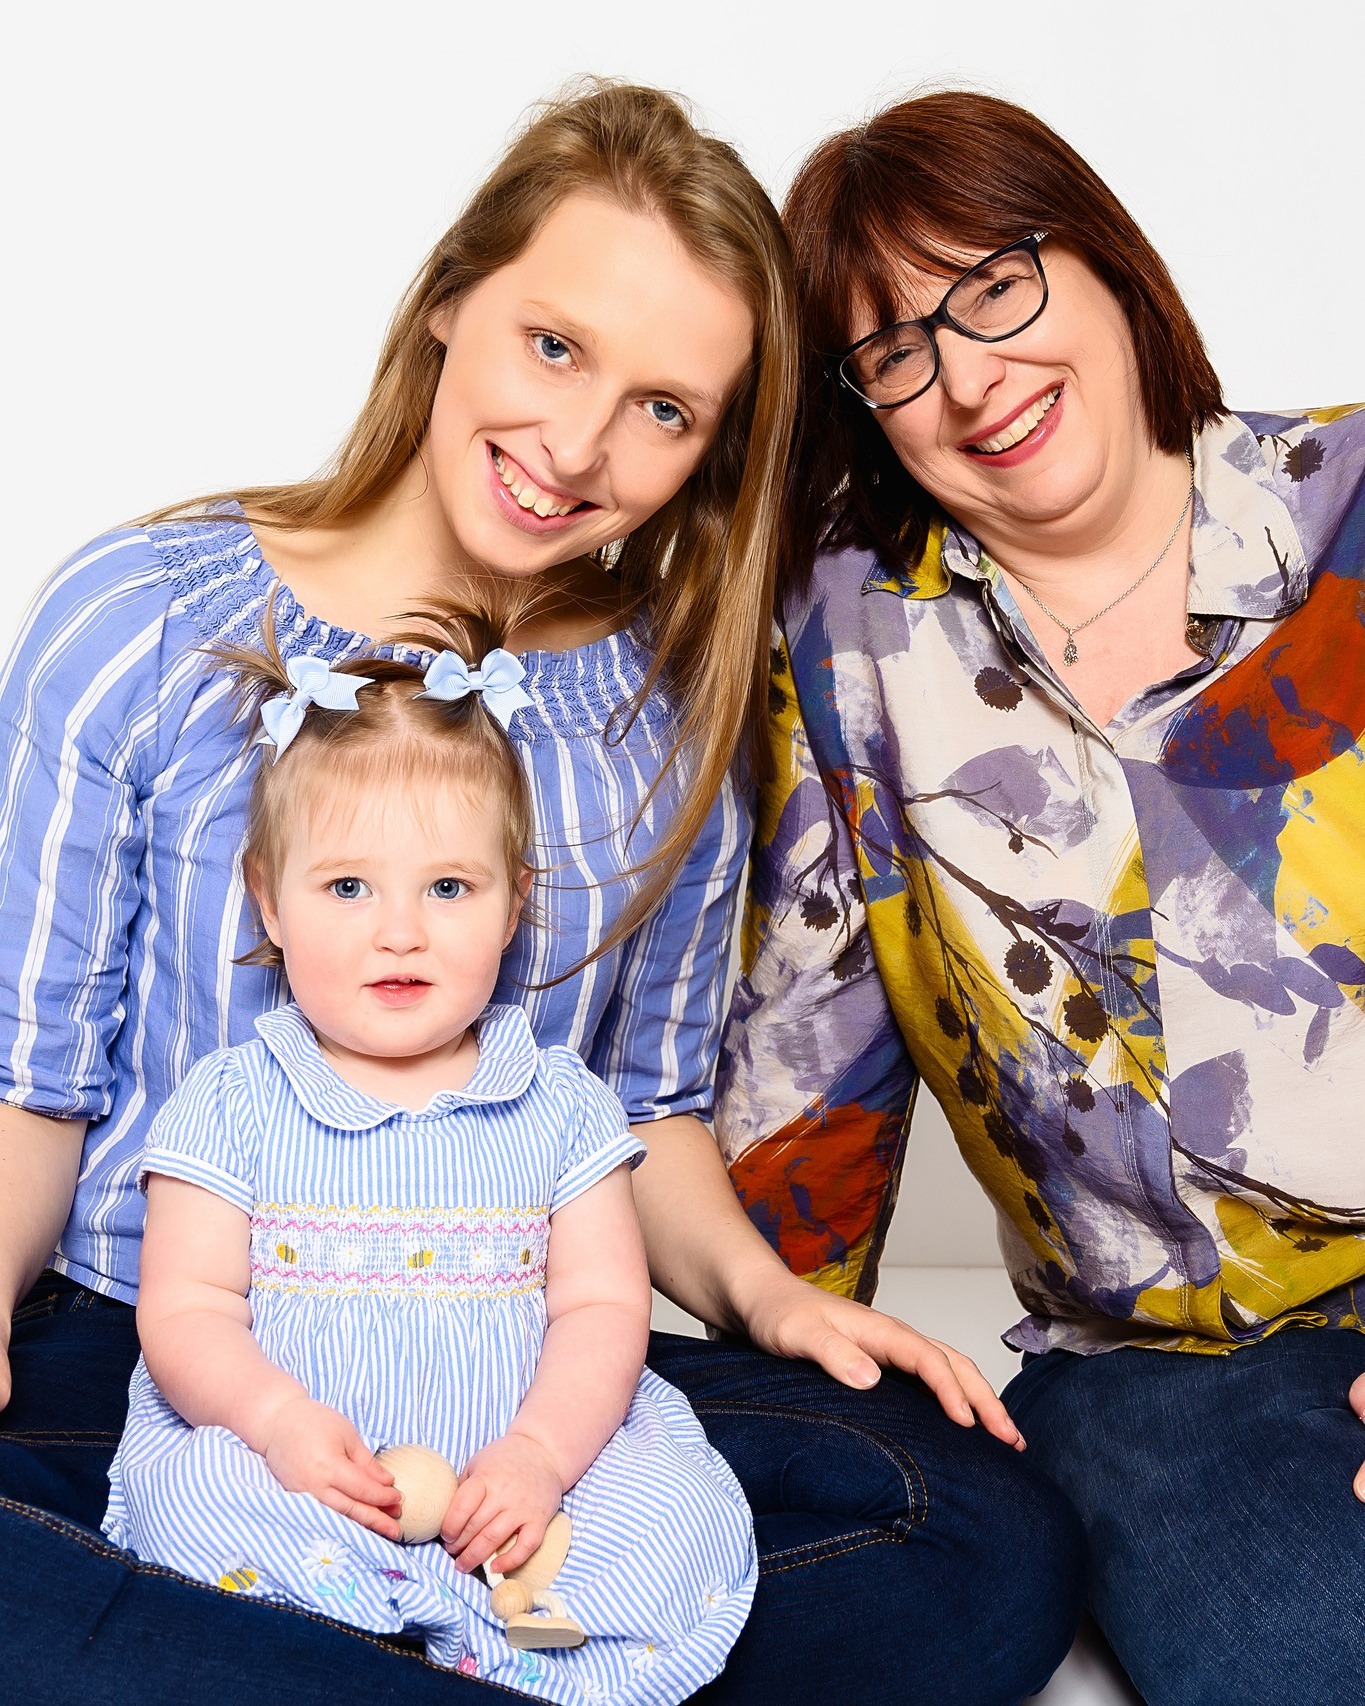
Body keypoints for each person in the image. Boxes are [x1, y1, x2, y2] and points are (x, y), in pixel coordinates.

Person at [0, 80, 1081, 1706]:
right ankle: (501, 1663)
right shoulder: (136, 618)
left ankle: (294, 1655)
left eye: (664, 408)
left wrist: (770, 1300)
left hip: (525, 1372)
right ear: (451, 302)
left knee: (978, 1528)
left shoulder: (667, 718)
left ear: (711, 451)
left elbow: (646, 1117)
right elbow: (34, 1076)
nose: (576, 449)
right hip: (161, 1342)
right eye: (554, 346)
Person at [717, 84, 1365, 1706]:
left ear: (1100, 260)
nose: (970, 375)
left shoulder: (1343, 503)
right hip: (1165, 1373)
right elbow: (814, 1075)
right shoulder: (853, 640)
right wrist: (759, 1400)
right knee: (1302, 1656)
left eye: (994, 285)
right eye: (897, 351)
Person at [102, 602, 757, 1703]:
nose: (399, 928)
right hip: (307, 1466)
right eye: (348, 886)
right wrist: (278, 1422)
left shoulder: (558, 1103)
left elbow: (602, 1308)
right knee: (192, 1492)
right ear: (269, 895)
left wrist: (541, 1456)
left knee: (673, 1512)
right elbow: (185, 1312)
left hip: (518, 1468)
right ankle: (350, 1628)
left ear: (513, 906)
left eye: (449, 887)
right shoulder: (231, 1100)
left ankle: (505, 1643)